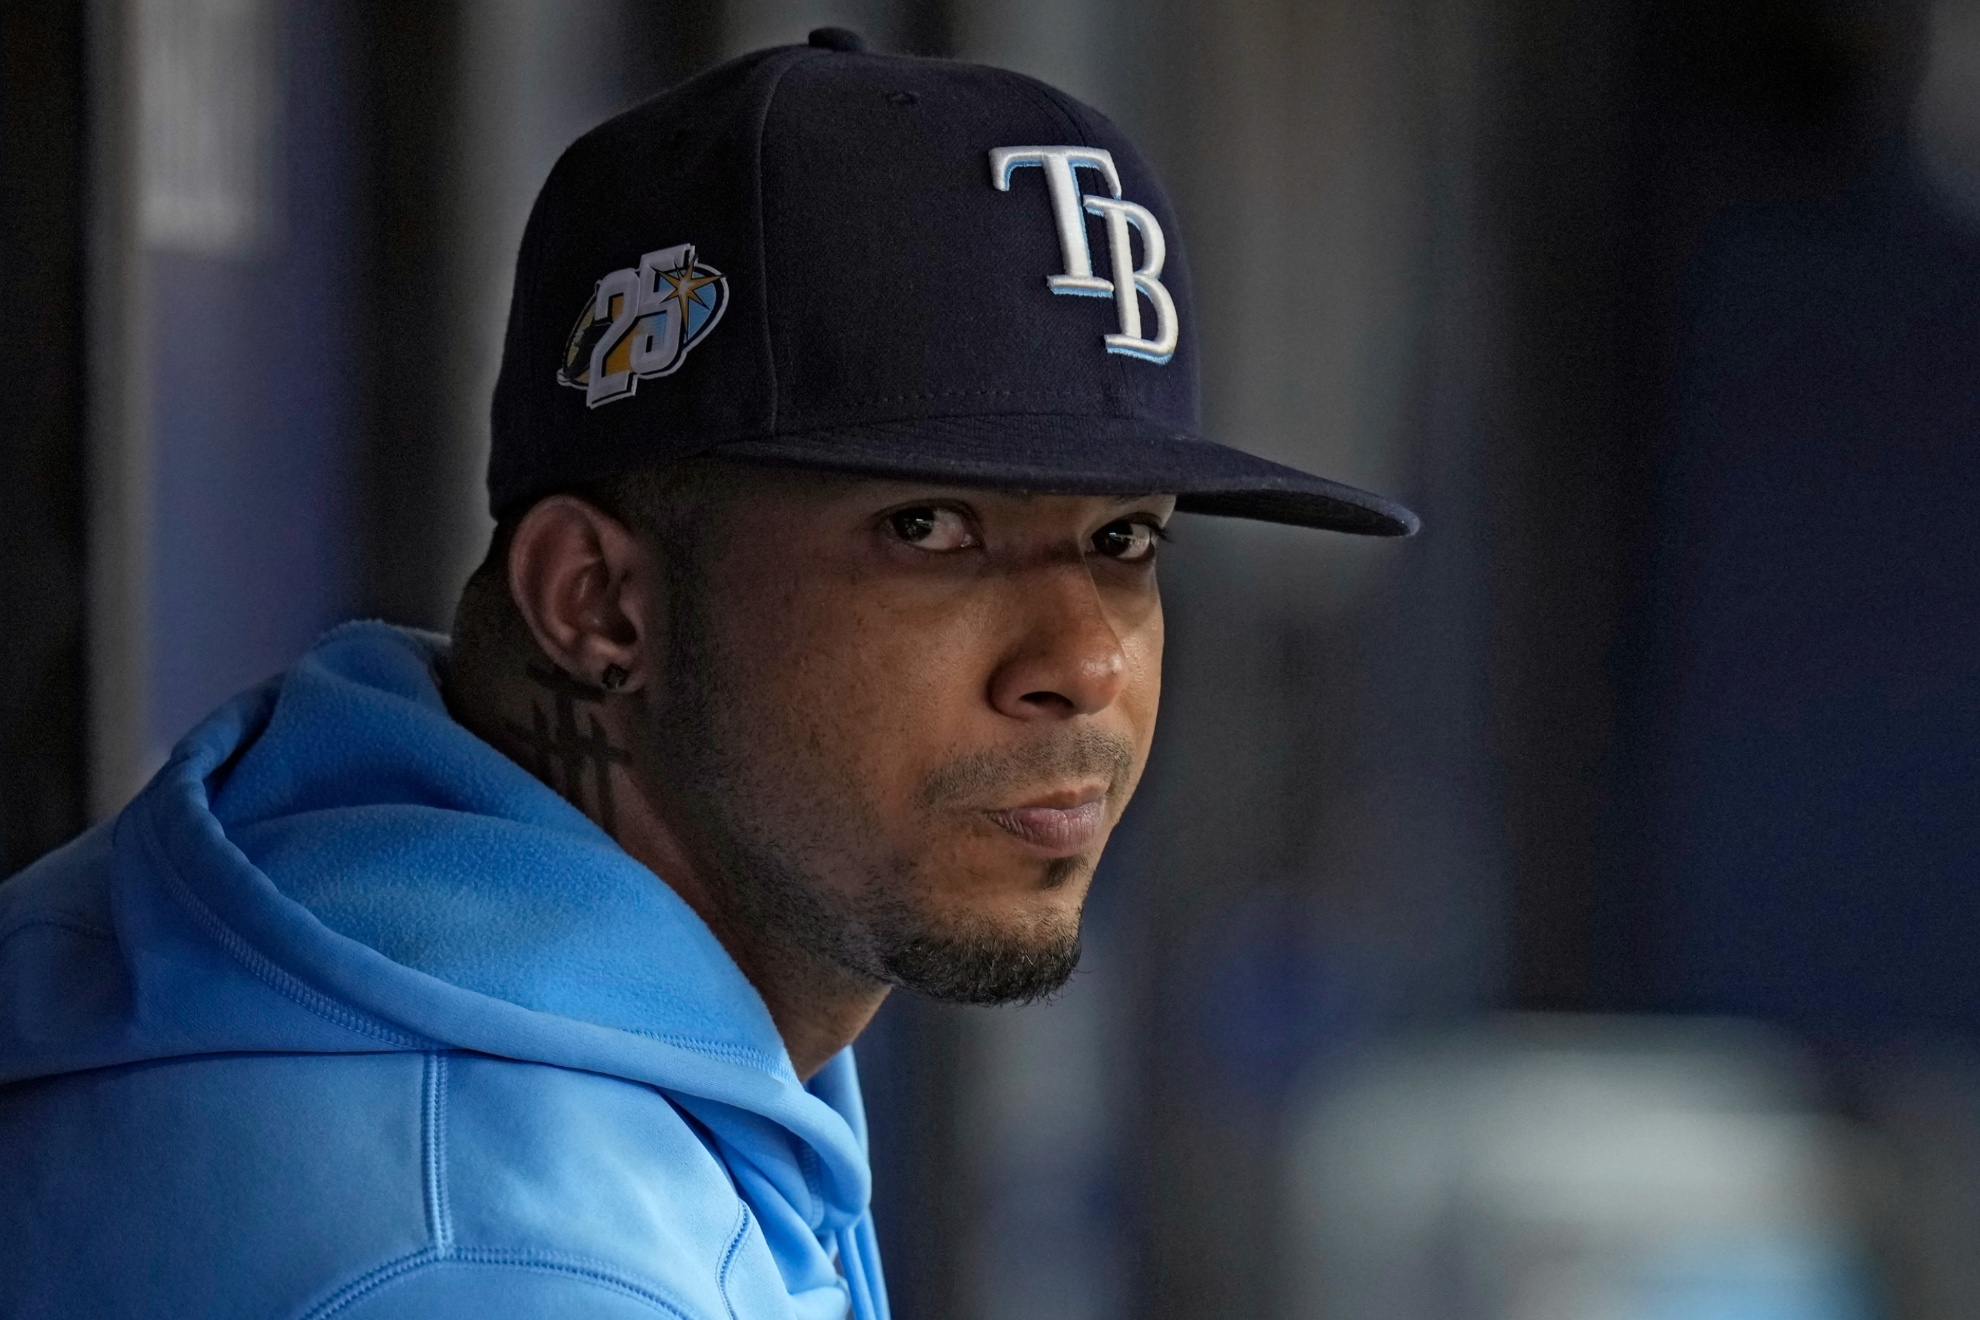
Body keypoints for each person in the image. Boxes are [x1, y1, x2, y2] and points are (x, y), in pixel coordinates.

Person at [0, 29, 1414, 1320]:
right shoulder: (504, 1263)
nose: (1085, 661)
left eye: (1122, 542)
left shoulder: (340, 944)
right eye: (932, 530)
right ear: (597, 601)